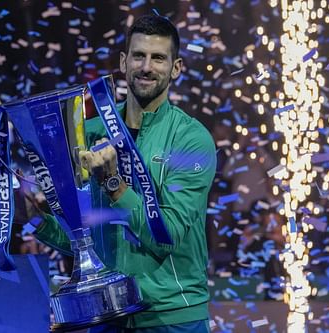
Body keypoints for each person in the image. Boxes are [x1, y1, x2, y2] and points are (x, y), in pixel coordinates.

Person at [32, 15, 216, 332]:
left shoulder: (191, 140)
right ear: (123, 61)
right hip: (107, 315)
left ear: (176, 68)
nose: (146, 67)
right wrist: (35, 219)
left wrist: (114, 185)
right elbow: (85, 240)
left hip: (170, 317)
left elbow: (166, 237)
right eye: (138, 55)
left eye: (158, 58)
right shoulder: (89, 133)